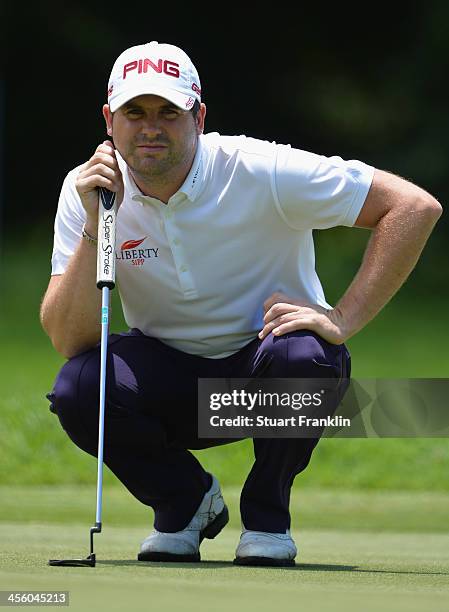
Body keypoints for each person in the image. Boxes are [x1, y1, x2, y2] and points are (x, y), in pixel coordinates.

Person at [40, 41, 442, 567]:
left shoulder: (261, 168)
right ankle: (185, 502)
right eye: (134, 113)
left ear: (199, 117)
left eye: (169, 112)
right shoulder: (87, 191)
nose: (151, 128)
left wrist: (341, 317)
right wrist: (98, 228)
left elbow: (413, 207)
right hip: (169, 386)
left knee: (306, 358)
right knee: (77, 388)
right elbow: (68, 338)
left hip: (264, 375)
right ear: (109, 120)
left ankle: (267, 516)